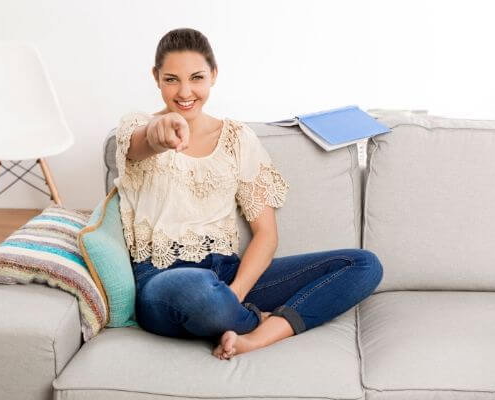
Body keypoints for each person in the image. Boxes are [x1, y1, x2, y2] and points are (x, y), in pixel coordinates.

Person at [114, 27, 383, 360]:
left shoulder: (238, 139)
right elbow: (144, 142)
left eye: (197, 77)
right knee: (197, 289)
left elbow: (266, 235)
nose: (185, 92)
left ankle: (256, 337)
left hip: (227, 275)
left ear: (213, 75)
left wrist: (235, 293)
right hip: (163, 282)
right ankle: (254, 318)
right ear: (156, 78)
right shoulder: (135, 127)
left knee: (364, 265)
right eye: (171, 79)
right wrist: (161, 132)